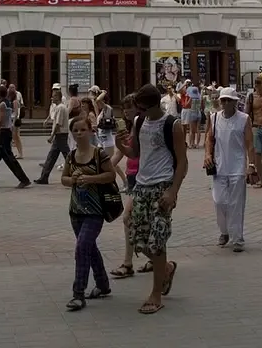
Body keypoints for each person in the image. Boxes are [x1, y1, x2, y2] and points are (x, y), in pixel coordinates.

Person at [127, 83, 187, 315]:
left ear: (151, 105)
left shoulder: (172, 125)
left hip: (162, 186)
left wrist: (173, 192)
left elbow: (182, 161)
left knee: (157, 241)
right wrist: (123, 146)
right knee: (137, 240)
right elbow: (135, 153)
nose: (138, 112)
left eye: (141, 108)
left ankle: (156, 293)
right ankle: (167, 268)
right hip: (141, 186)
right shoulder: (138, 122)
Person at [60, 115, 116, 311]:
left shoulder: (99, 154)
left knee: (82, 247)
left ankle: (78, 293)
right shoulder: (71, 155)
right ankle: (102, 285)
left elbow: (111, 175)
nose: (78, 133)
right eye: (75, 130)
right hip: (76, 211)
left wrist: (90, 178)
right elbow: (64, 179)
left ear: (91, 131)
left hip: (95, 210)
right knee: (89, 247)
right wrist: (73, 179)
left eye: (82, 129)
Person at [203, 87, 255, 252]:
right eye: (223, 100)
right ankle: (225, 231)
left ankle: (237, 239)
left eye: (228, 100)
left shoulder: (244, 119)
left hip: (237, 167)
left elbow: (249, 144)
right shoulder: (215, 117)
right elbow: (209, 138)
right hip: (219, 167)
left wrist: (251, 165)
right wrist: (207, 155)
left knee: (236, 204)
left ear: (235, 102)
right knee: (219, 201)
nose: (225, 103)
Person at [108, 94, 141, 280]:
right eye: (125, 108)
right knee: (138, 220)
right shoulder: (127, 129)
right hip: (132, 177)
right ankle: (131, 261)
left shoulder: (143, 126)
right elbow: (119, 154)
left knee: (128, 217)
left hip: (145, 178)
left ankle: (129, 263)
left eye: (130, 107)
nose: (127, 111)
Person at [0, 85, 31, 189]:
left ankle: (24, 179)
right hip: (5, 132)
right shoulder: (7, 102)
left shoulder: (2, 105)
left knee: (9, 159)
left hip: (2, 134)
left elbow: (0, 122)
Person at [34, 86, 70, 184]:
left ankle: (76, 171)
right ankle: (44, 177)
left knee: (67, 156)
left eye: (53, 96)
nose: (52, 98)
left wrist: (51, 136)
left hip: (60, 135)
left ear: (58, 97)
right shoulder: (60, 107)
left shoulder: (60, 108)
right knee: (52, 157)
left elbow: (58, 124)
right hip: (60, 135)